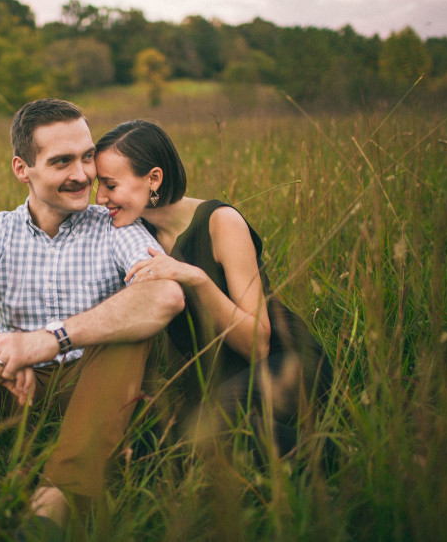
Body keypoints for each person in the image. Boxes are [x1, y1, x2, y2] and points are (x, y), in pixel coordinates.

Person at [0, 100, 184, 540]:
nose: (83, 174)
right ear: (22, 169)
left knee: (129, 332)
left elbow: (164, 294)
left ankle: (54, 504)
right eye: (62, 161)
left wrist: (51, 339)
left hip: (92, 387)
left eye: (87, 157)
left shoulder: (114, 226)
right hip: (13, 389)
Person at [94, 119, 331, 460]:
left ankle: (336, 458)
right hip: (218, 380)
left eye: (110, 185)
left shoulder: (221, 223)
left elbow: (258, 343)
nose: (101, 197)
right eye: (98, 185)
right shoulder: (135, 233)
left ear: (154, 179)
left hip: (285, 361)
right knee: (147, 444)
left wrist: (197, 279)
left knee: (196, 435)